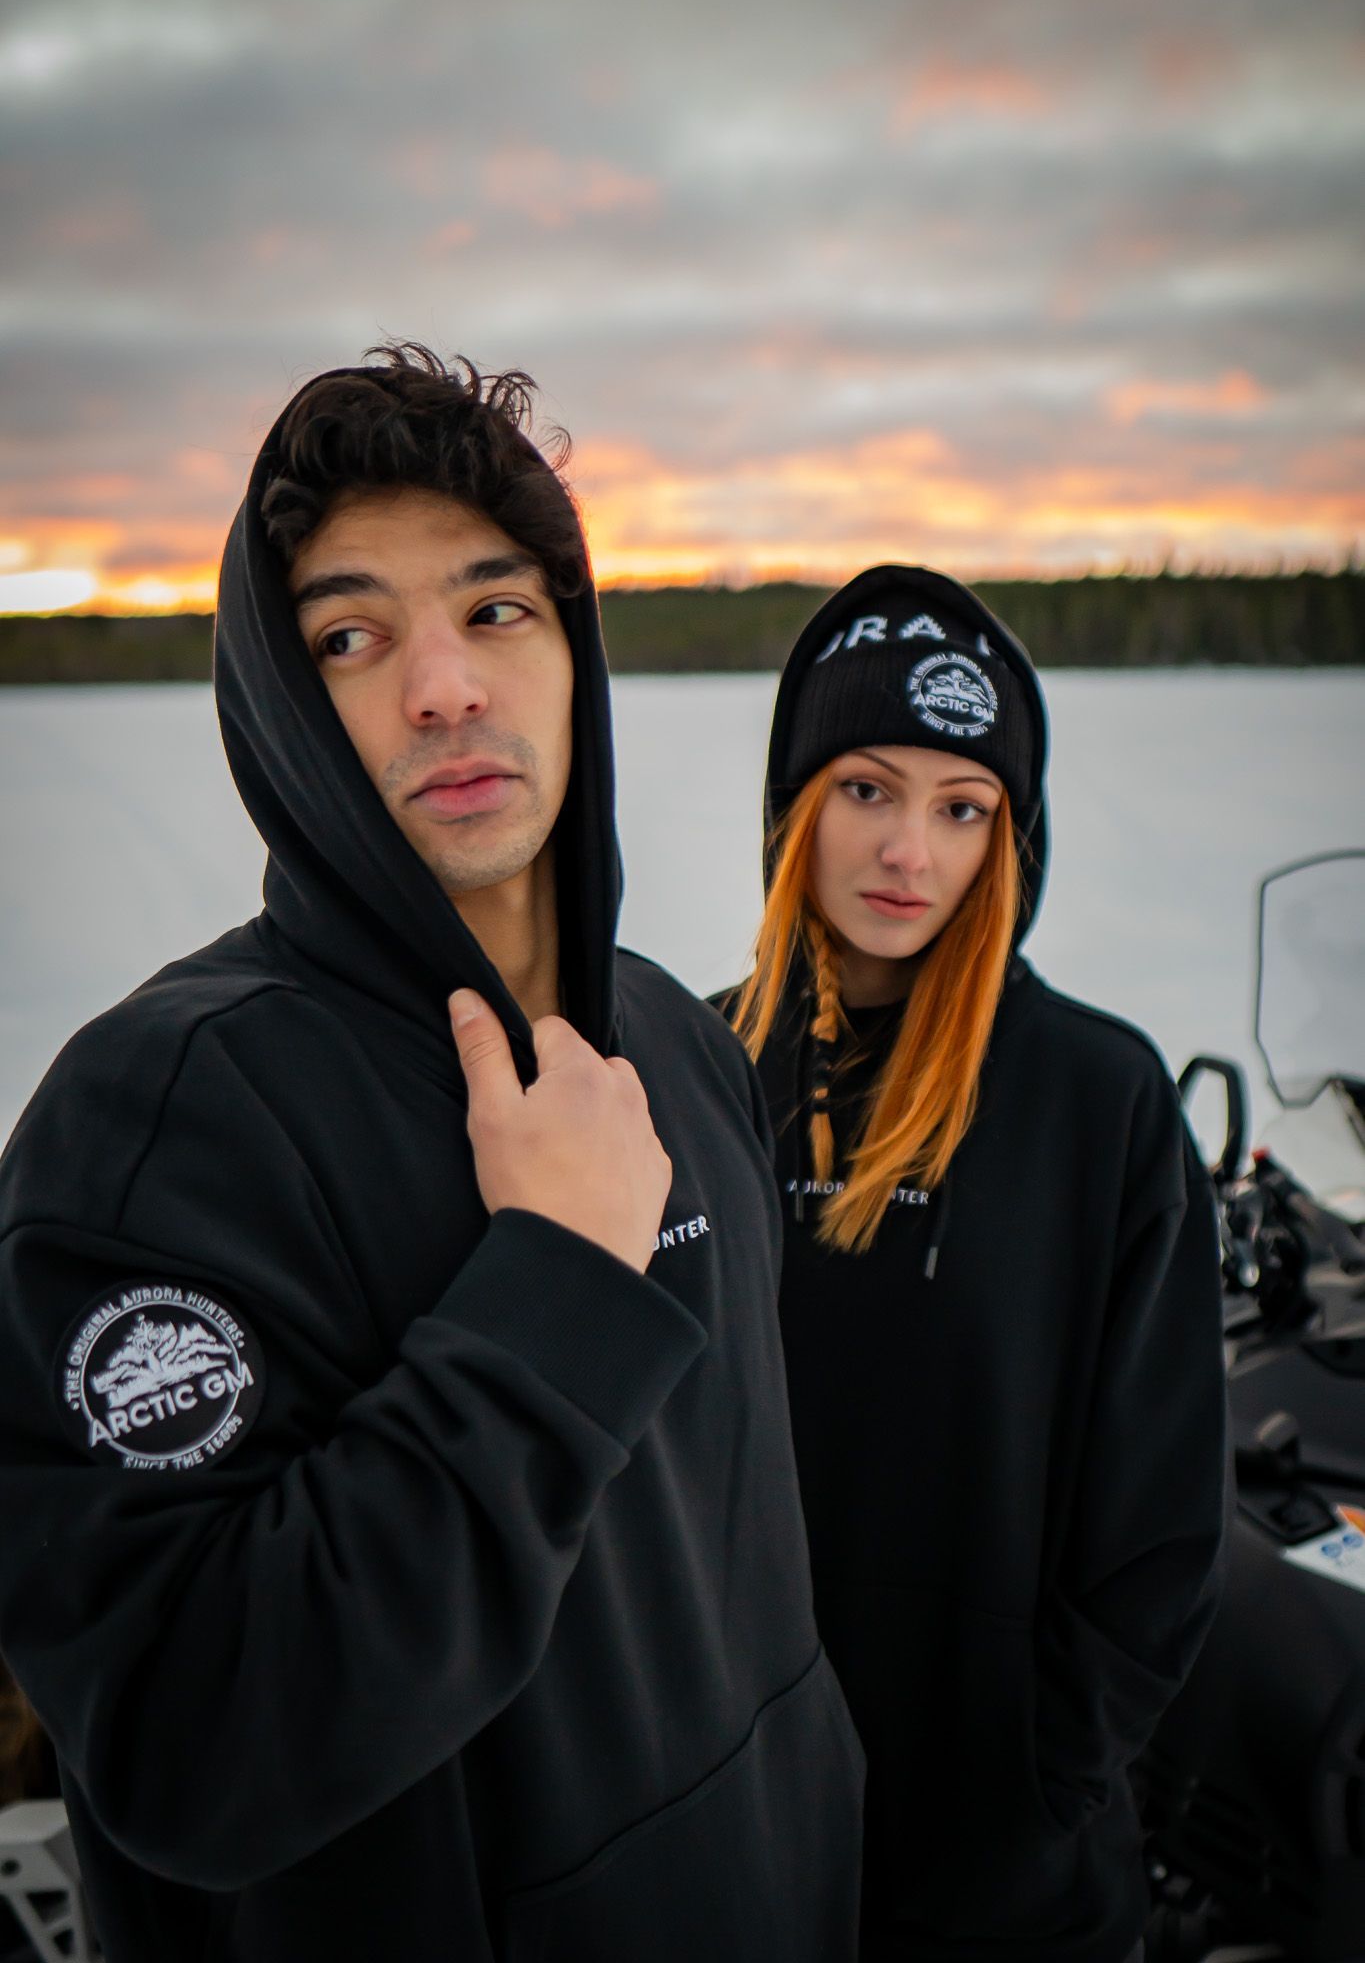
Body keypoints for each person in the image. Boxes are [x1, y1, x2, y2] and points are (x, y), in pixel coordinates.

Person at [0, 346, 863, 1963]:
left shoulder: (675, 1046)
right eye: (350, 637)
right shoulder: (163, 1125)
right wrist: (548, 1295)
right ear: (279, 708)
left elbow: (726, 1563)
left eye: (492, 610)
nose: (444, 688)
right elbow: (195, 1751)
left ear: (568, 649)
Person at [714, 565, 1227, 1963]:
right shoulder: (693, 1073)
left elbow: (1162, 1510)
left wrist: (1046, 1783)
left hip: (1007, 1872)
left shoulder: (1093, 1098)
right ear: (795, 809)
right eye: (866, 791)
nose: (909, 854)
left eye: (961, 809)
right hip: (726, 1834)